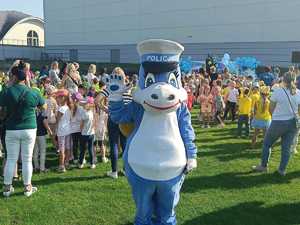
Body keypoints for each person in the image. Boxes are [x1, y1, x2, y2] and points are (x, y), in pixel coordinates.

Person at [0, 61, 46, 197]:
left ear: (14, 77)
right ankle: (27, 188)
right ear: (26, 78)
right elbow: (43, 107)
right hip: (29, 128)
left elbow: (1, 110)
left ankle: (7, 188)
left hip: (12, 128)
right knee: (27, 159)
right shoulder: (33, 92)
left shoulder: (7, 92)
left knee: (11, 159)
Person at [253, 72, 300, 176]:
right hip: (293, 123)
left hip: (279, 122)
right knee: (286, 148)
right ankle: (282, 170)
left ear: (283, 80)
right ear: (294, 80)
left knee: (267, 144)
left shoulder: (278, 92)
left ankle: (263, 166)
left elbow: (271, 109)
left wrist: (277, 116)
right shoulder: (298, 92)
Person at [56, 89, 72, 173]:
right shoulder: (68, 107)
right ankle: (67, 163)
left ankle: (61, 166)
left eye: (58, 97)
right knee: (67, 148)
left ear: (62, 98)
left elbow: (57, 119)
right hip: (68, 130)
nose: (57, 99)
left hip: (61, 131)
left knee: (62, 149)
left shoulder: (61, 108)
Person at [33, 108, 53, 173]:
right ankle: (42, 168)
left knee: (35, 151)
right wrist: (50, 131)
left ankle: (36, 167)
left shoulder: (32, 116)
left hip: (34, 135)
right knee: (42, 152)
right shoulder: (42, 116)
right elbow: (45, 124)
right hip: (41, 135)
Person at [78, 96, 96, 169]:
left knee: (83, 149)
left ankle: (81, 163)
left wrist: (81, 131)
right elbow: (94, 122)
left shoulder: (84, 113)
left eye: (85, 104)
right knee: (90, 149)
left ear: (88, 105)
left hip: (84, 134)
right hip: (91, 134)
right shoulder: (91, 112)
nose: (83, 105)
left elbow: (81, 125)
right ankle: (92, 163)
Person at [70, 92, 84, 163]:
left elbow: (70, 119)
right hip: (80, 128)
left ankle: (75, 158)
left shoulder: (70, 108)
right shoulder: (81, 108)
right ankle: (81, 158)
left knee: (75, 144)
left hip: (73, 129)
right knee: (81, 144)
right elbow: (82, 119)